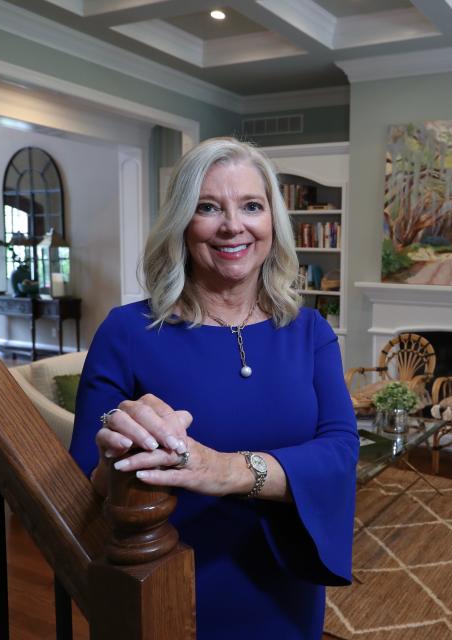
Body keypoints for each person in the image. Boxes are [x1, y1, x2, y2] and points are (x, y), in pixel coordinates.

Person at [69, 137, 358, 639]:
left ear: (273, 223)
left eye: (251, 206)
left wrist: (223, 469)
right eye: (208, 207)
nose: (233, 225)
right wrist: (113, 458)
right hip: (169, 581)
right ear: (182, 222)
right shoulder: (126, 333)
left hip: (283, 581)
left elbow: (340, 452)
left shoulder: (310, 331)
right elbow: (82, 485)